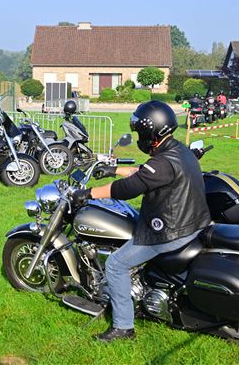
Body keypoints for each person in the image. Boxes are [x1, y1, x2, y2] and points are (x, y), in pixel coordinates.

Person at [73, 101, 211, 342]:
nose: (139, 136)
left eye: (140, 131)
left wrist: (90, 193)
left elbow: (129, 188)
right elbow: (147, 173)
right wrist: (112, 169)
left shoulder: (163, 161)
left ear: (151, 131)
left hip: (170, 230)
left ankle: (123, 327)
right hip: (192, 222)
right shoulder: (178, 150)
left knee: (116, 264)